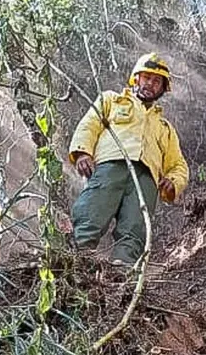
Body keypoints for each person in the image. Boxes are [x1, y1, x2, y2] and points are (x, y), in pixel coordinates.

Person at [67, 53, 189, 265]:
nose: (150, 84)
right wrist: (82, 152)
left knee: (135, 229)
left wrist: (173, 182)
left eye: (156, 81)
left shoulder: (165, 129)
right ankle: (77, 263)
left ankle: (120, 276)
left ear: (162, 89)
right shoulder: (111, 100)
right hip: (110, 166)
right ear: (136, 78)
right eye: (147, 78)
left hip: (146, 181)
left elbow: (178, 165)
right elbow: (89, 124)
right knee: (92, 212)